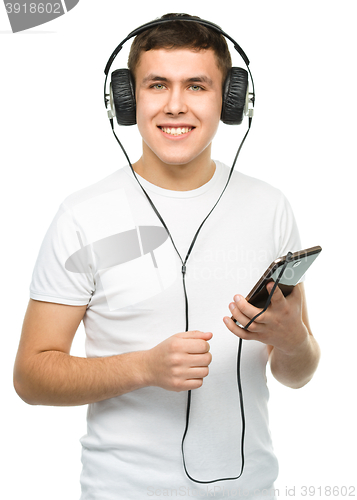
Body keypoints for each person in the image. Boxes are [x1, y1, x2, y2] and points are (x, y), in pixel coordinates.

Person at [13, 13, 321, 500]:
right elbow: (32, 377)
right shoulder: (82, 215)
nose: (175, 106)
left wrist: (293, 339)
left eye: (197, 86)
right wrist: (144, 369)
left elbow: (298, 374)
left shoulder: (271, 207)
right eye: (157, 85)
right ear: (128, 100)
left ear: (230, 100)